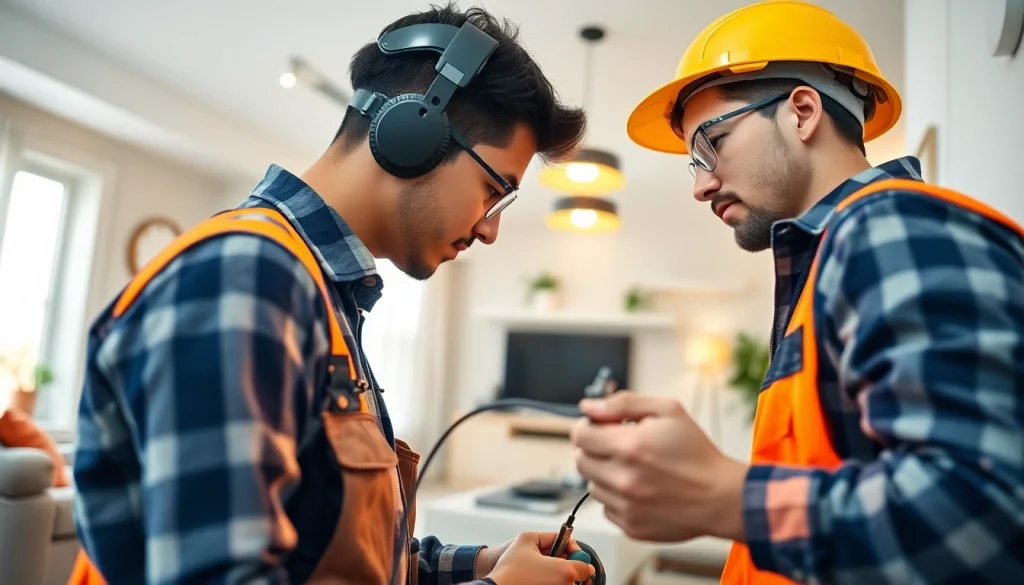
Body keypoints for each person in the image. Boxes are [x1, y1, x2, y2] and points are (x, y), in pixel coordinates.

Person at [72, 4, 597, 585]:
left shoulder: (316, 294)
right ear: (415, 131)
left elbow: (349, 560)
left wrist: (482, 565)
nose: (489, 229)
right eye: (494, 190)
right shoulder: (244, 277)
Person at [571, 1, 1024, 584]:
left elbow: (986, 517)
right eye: (694, 162)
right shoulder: (837, 258)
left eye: (712, 145)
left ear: (803, 112)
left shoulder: (892, 227)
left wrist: (720, 495)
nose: (702, 183)